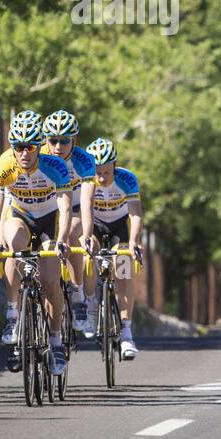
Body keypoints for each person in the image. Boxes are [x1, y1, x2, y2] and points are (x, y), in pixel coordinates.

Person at [0, 110, 71, 376]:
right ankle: (12, 315)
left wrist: (62, 240)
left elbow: (66, 208)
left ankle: (55, 341)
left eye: (30, 147)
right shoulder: (3, 167)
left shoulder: (55, 167)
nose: (24, 153)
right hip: (20, 216)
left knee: (51, 283)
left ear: (39, 145)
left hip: (49, 220)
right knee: (13, 245)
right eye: (18, 147)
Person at [84, 137, 143, 360]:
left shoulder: (127, 179)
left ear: (115, 166)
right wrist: (87, 237)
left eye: (106, 172)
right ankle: (90, 303)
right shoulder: (87, 180)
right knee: (88, 255)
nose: (101, 177)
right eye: (97, 172)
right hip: (96, 226)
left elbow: (135, 214)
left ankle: (127, 333)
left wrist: (135, 241)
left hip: (119, 228)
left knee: (124, 272)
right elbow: (86, 209)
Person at [40, 110, 96, 335]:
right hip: (46, 208)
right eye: (53, 140)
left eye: (65, 141)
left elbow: (87, 202)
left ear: (74, 140)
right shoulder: (39, 155)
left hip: (74, 208)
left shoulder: (83, 160)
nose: (58, 146)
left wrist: (89, 233)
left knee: (72, 232)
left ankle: (77, 292)